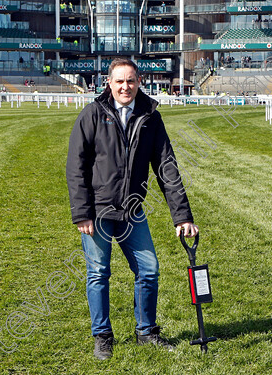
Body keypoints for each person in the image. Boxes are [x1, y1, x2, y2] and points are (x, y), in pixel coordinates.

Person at [67, 58, 199, 361]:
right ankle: (102, 336)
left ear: (139, 81)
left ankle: (146, 332)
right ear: (109, 83)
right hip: (98, 213)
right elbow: (76, 167)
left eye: (131, 81)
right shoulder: (92, 115)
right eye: (119, 81)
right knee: (98, 273)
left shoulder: (151, 116)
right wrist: (81, 212)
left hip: (132, 212)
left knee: (149, 270)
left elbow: (167, 168)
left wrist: (182, 216)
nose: (125, 87)